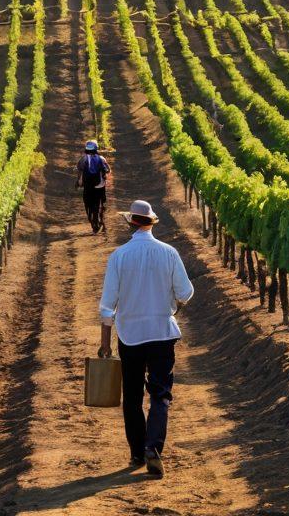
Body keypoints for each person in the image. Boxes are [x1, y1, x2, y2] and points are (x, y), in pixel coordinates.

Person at [98, 199, 194, 479]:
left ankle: (137, 453)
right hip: (162, 334)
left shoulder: (119, 256)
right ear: (151, 223)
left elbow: (107, 306)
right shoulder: (169, 253)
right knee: (161, 394)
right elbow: (185, 292)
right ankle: (154, 446)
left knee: (132, 397)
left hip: (130, 336)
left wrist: (105, 342)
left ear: (131, 223)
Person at [76, 140, 110, 233]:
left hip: (88, 186)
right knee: (101, 203)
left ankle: (93, 223)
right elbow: (108, 170)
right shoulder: (101, 158)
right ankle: (101, 220)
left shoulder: (83, 159)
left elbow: (79, 171)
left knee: (88, 204)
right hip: (100, 185)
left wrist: (79, 182)